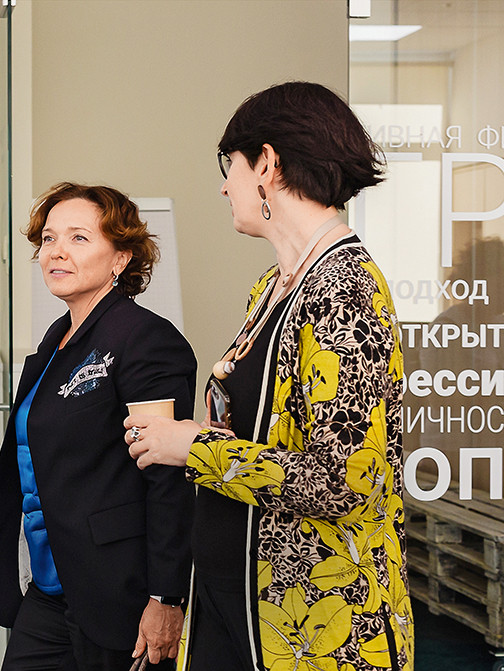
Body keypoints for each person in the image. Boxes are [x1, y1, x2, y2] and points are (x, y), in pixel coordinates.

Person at [124, 82, 413, 671]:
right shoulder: (274, 286)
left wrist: (193, 447)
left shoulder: (345, 293)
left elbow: (340, 481)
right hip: (238, 604)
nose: (223, 186)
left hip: (315, 627)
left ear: (267, 163)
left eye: (228, 164)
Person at [0, 182, 197, 670]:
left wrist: (166, 596)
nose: (56, 251)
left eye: (78, 238)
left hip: (116, 593)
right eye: (49, 239)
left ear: (121, 257)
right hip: (50, 588)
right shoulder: (57, 338)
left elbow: (168, 476)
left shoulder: (145, 339)